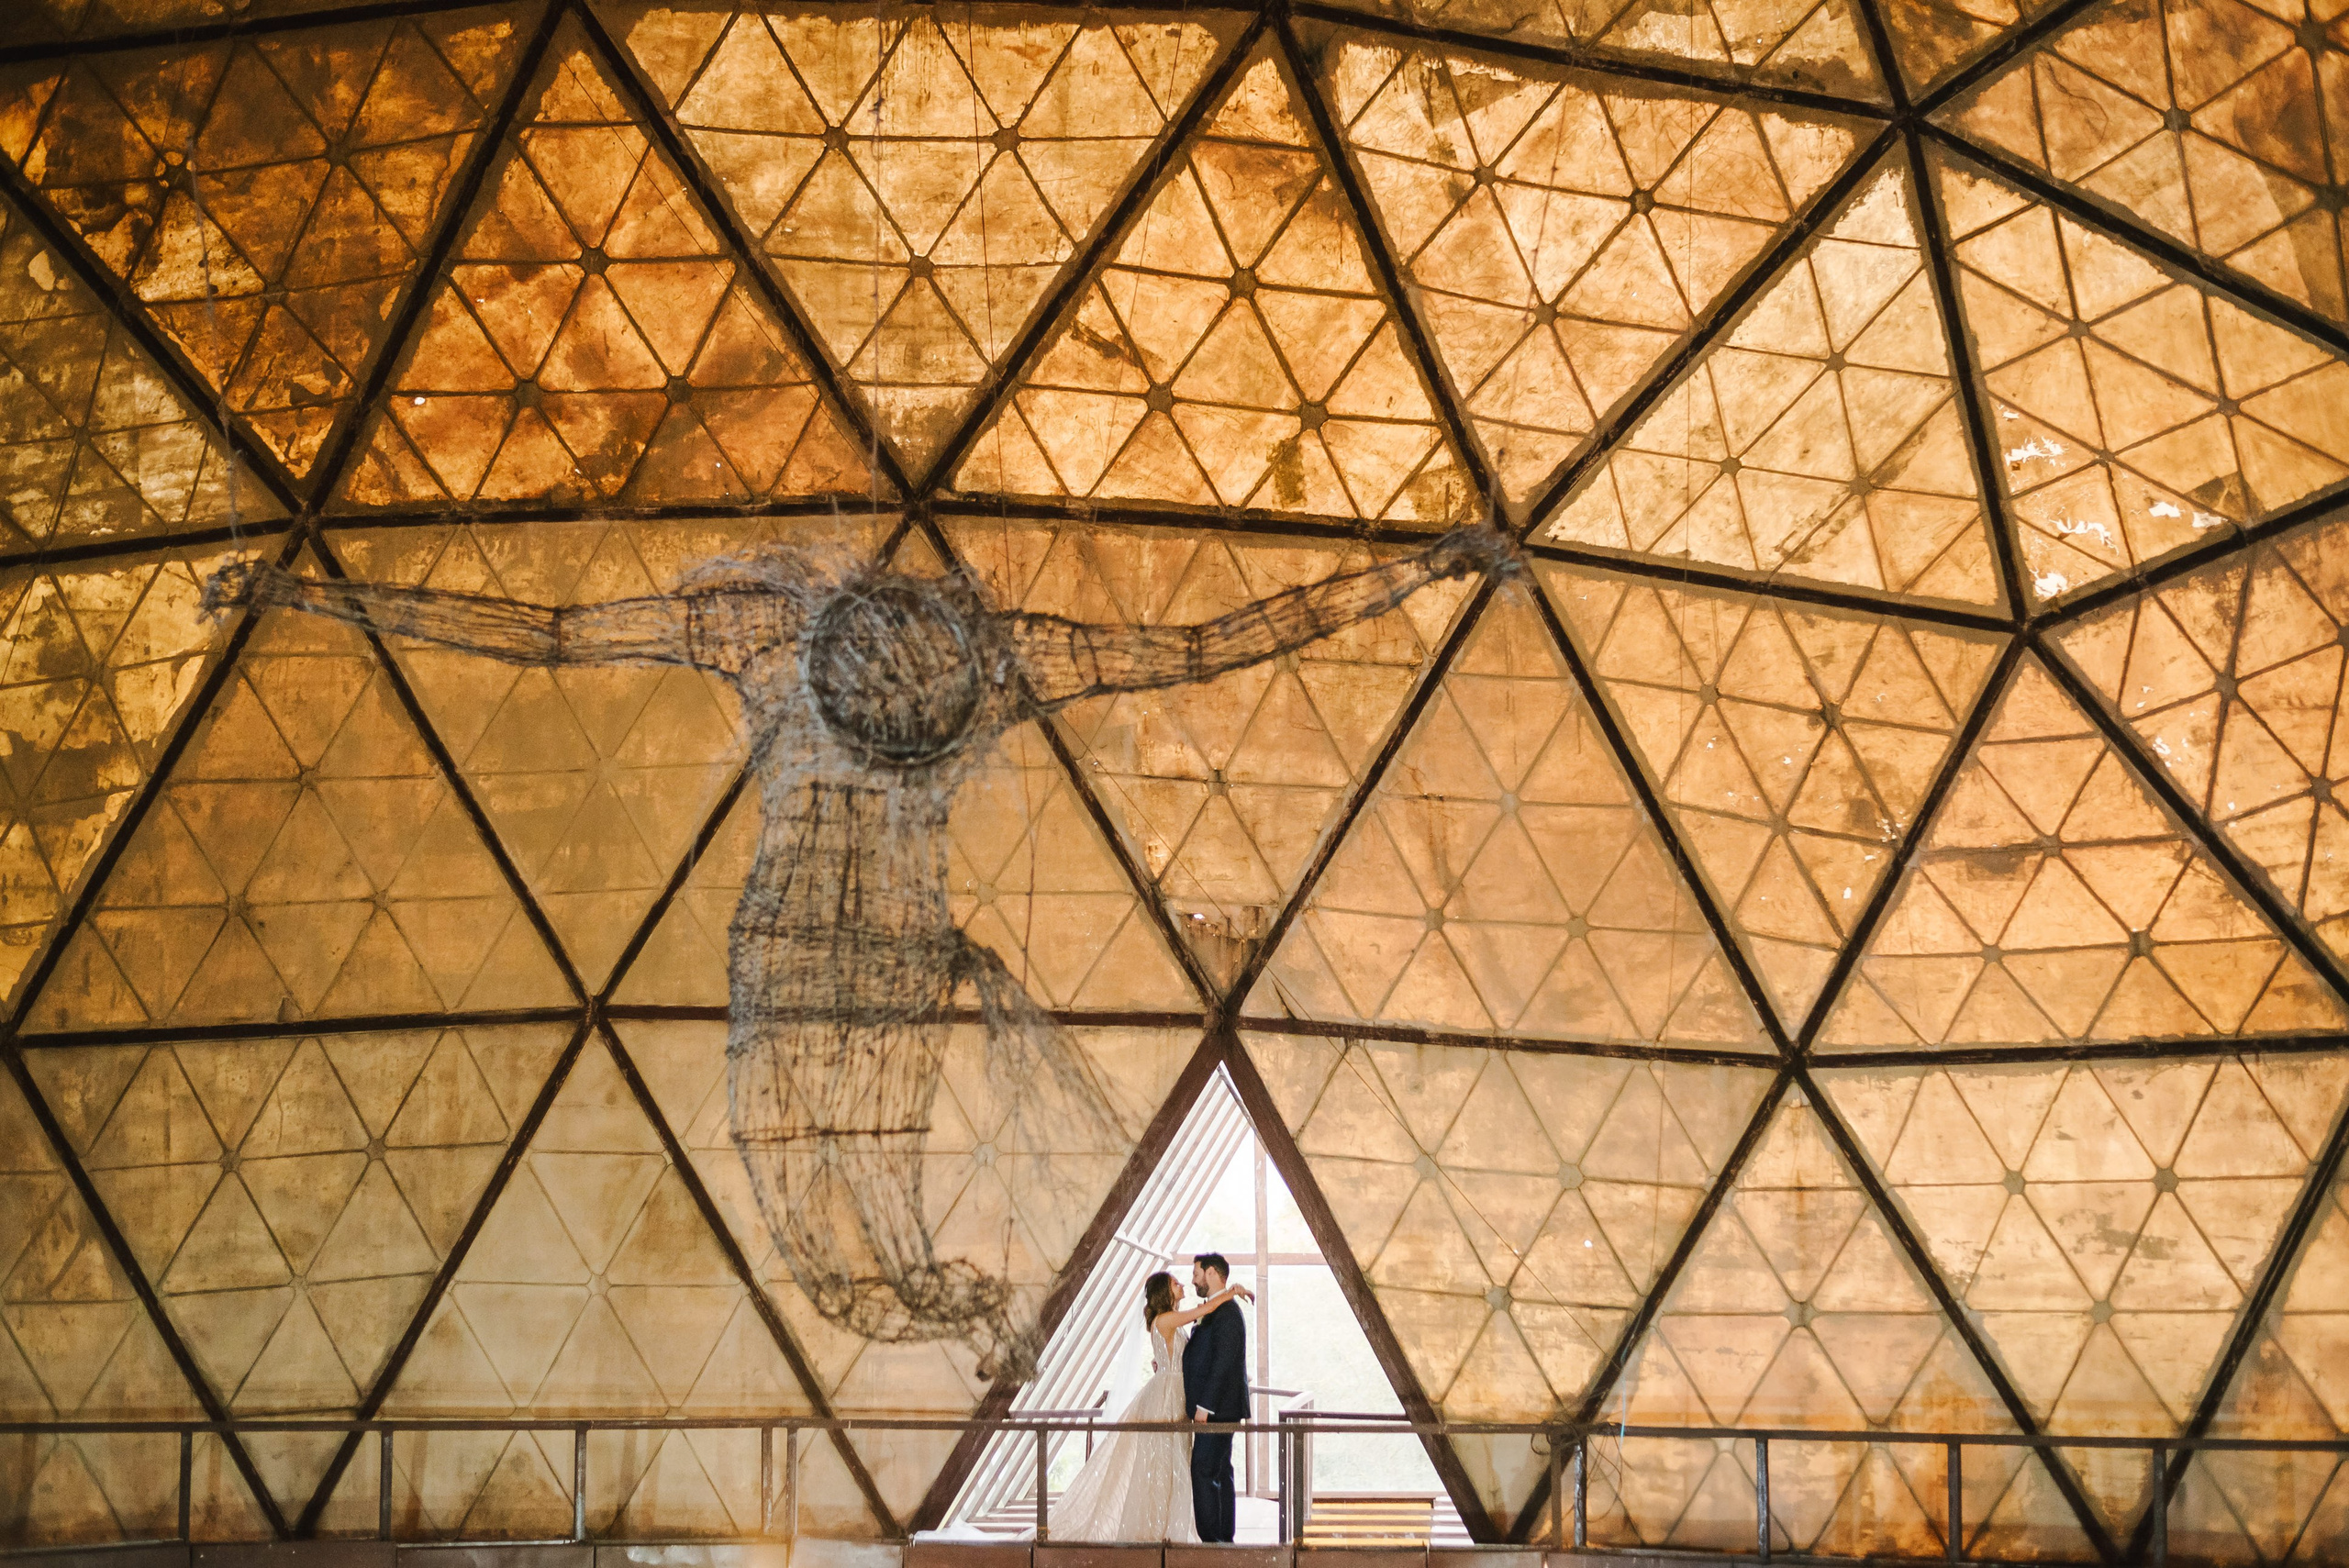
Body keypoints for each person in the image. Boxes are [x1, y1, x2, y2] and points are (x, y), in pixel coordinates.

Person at [202, 525, 1513, 1380]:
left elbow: (1201, 648)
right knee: (818, 1237)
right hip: (792, 959)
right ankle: (978, 1318)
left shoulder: (991, 663)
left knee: (873, 1224)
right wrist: (303, 587)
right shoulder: (770, 634)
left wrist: (1425, 568)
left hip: (887, 967)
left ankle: (982, 1318)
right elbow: (549, 635)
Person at [1045, 1267, 1253, 1540]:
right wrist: (1232, 1291)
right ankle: (1163, 1528)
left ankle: (1170, 1524)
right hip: (1168, 1395)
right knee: (1169, 1461)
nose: (1182, 1285)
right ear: (1164, 1293)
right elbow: (1205, 1310)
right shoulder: (1166, 1319)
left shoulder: (1167, 1321)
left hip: (1175, 1390)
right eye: (1175, 1283)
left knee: (1174, 1461)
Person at [1184, 1252, 1249, 1542]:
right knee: (1219, 1470)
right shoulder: (1217, 1308)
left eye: (1196, 1272)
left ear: (1211, 1272)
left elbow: (1223, 1362)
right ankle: (1222, 1538)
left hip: (1216, 1409)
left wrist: (1204, 1406)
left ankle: (1212, 1542)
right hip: (1218, 1408)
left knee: (1204, 1471)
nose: (1193, 1279)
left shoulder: (1228, 1313)